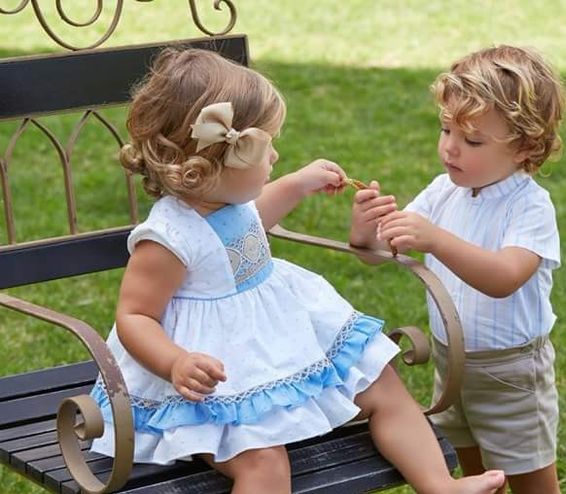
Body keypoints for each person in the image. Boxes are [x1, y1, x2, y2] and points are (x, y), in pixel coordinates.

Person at [88, 48, 505, 494]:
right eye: (266, 149)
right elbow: (135, 316)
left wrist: (301, 183)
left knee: (382, 384)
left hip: (274, 340)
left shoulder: (227, 199)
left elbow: (251, 223)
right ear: (214, 165)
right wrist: (176, 362)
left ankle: (440, 485)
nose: (275, 158)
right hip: (213, 381)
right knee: (263, 463)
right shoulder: (168, 238)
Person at [350, 45, 566, 494]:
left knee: (528, 478)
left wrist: (436, 239)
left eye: (472, 141)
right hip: (452, 364)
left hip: (510, 373)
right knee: (473, 472)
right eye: (445, 129)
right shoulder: (442, 191)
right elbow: (378, 253)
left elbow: (505, 277)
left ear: (526, 146)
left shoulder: (529, 206)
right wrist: (366, 232)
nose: (450, 148)